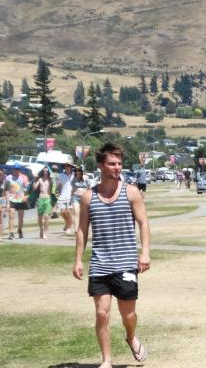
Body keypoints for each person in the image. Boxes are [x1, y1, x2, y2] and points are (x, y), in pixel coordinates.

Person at [73, 143, 151, 368]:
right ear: (100, 165)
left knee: (128, 316)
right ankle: (106, 360)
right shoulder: (88, 197)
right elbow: (82, 230)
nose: (117, 167)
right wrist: (78, 259)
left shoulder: (131, 192)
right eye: (111, 163)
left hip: (126, 262)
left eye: (119, 163)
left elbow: (143, 223)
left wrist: (144, 253)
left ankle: (130, 336)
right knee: (102, 313)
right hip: (100, 264)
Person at [5, 166, 30, 239]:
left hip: (21, 199)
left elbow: (28, 189)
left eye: (18, 169)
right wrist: (7, 202)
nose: (16, 171)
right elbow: (6, 189)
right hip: (11, 198)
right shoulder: (8, 177)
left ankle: (20, 229)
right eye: (15, 169)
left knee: (21, 217)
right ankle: (11, 232)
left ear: (20, 170)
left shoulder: (24, 177)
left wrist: (26, 197)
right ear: (13, 169)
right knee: (11, 215)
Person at [33, 168, 55, 239]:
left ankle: (45, 232)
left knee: (46, 216)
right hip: (41, 199)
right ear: (42, 172)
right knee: (40, 218)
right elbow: (34, 188)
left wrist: (51, 177)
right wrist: (35, 179)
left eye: (46, 171)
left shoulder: (50, 179)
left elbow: (53, 185)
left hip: (48, 199)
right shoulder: (40, 179)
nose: (45, 172)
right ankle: (41, 229)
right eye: (44, 171)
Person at [57, 163, 75, 234]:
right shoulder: (61, 175)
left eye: (68, 166)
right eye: (66, 166)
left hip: (71, 196)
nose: (67, 168)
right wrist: (58, 192)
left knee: (68, 212)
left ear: (71, 167)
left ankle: (69, 227)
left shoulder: (74, 175)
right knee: (62, 212)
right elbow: (59, 185)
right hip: (62, 196)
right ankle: (67, 223)